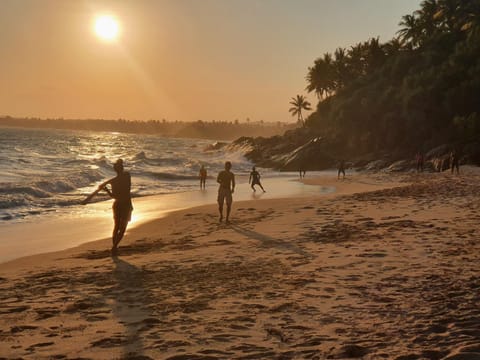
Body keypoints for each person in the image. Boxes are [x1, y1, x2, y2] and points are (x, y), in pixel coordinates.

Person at [98, 159, 133, 255]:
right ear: (122, 168)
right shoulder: (127, 176)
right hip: (126, 205)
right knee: (122, 227)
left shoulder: (114, 181)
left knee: (116, 226)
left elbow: (114, 196)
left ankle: (115, 247)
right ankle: (114, 247)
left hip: (117, 204)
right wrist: (106, 187)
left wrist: (106, 189)